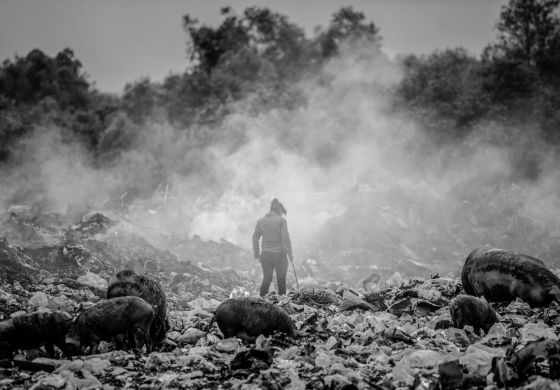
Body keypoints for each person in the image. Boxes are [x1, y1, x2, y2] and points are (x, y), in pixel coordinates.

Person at [252, 198, 293, 296]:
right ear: (279, 210)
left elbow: (255, 239)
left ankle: (261, 301)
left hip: (266, 255)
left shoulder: (261, 221)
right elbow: (286, 238)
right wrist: (290, 254)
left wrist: (257, 254)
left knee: (267, 278)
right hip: (280, 255)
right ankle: (282, 302)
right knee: (281, 279)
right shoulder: (281, 220)